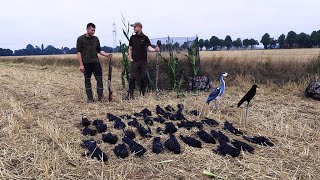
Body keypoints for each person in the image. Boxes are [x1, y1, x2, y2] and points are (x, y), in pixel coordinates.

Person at [77, 23, 113, 103]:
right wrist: (81, 65)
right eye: (92, 30)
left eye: (94, 30)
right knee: (87, 80)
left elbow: (99, 50)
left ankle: (100, 97)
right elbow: (79, 52)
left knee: (99, 79)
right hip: (86, 63)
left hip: (95, 62)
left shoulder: (96, 39)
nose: (93, 32)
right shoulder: (80, 39)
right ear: (87, 29)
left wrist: (107, 55)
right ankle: (90, 98)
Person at [127, 22, 160, 99]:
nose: (134, 28)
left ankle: (142, 93)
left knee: (143, 77)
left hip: (143, 61)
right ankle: (130, 94)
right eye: (133, 27)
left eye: (135, 27)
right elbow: (130, 48)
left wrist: (155, 49)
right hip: (134, 61)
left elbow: (149, 48)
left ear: (140, 27)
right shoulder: (132, 38)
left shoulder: (145, 38)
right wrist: (130, 58)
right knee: (132, 77)